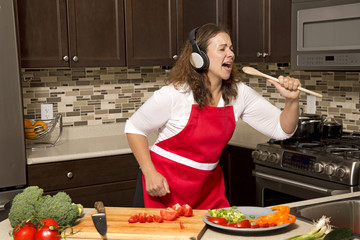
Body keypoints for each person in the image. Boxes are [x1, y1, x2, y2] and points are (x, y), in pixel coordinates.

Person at [125, 23, 300, 210]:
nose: (231, 54)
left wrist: (292, 101)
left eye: (231, 49)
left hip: (208, 192)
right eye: (222, 49)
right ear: (199, 58)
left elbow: (282, 129)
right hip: (163, 190)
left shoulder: (239, 94)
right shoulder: (175, 94)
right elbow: (134, 128)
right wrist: (149, 173)